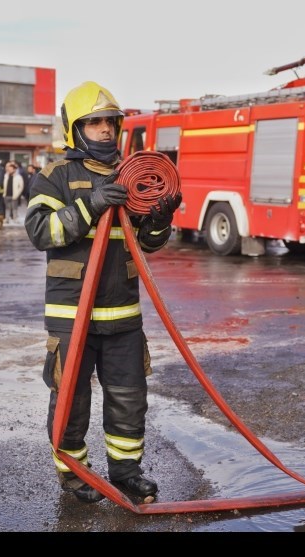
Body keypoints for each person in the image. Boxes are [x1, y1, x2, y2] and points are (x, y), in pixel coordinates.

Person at [25, 81, 182, 504]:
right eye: (94, 122)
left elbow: (146, 245)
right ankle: (73, 472)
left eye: (110, 122)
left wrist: (160, 220)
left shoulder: (130, 177)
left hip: (123, 315)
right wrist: (89, 205)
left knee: (129, 400)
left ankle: (127, 472)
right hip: (71, 315)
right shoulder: (56, 176)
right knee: (71, 401)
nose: (105, 130)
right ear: (75, 129)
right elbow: (40, 231)